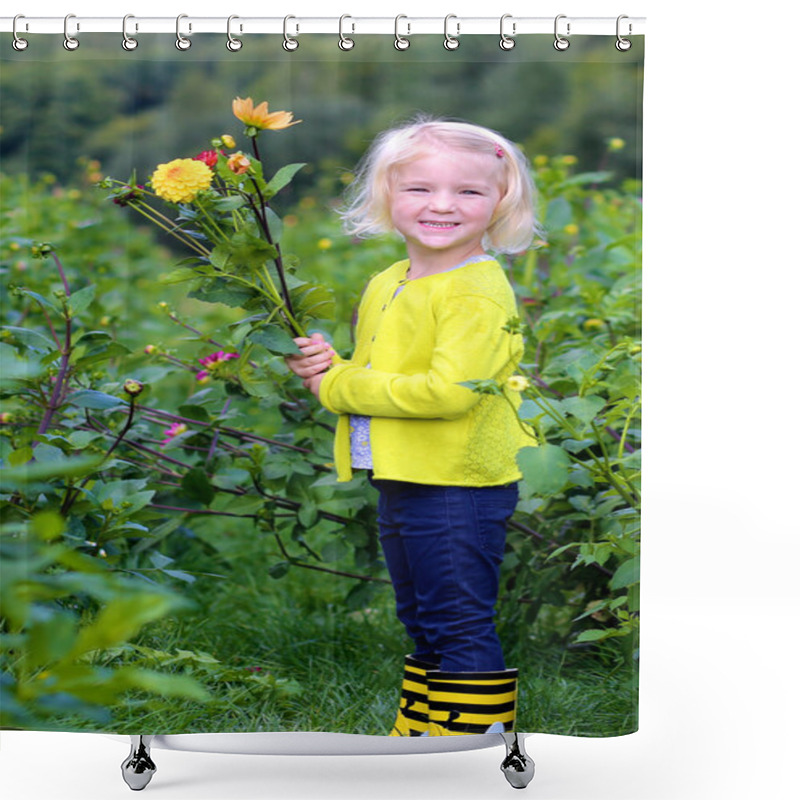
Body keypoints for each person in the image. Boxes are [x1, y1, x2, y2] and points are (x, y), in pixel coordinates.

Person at [286, 117, 539, 737]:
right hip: (405, 473)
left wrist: (338, 384)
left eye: (469, 192)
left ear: (500, 202)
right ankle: (425, 733)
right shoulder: (388, 281)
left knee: (457, 620)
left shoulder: (475, 291)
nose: (443, 205)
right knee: (423, 616)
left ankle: (475, 748)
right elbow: (380, 374)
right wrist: (328, 366)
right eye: (420, 189)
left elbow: (447, 394)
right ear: (388, 196)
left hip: (458, 482)